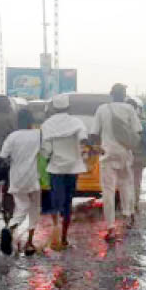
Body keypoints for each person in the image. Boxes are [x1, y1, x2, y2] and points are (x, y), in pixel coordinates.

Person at [89, 83, 142, 242]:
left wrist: (97, 147)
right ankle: (127, 216)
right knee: (126, 185)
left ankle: (111, 227)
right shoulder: (129, 109)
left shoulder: (102, 109)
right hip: (125, 153)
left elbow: (93, 134)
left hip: (107, 153)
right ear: (124, 95)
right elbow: (138, 132)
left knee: (108, 191)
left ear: (111, 94)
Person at [40, 93, 88, 249]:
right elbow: (83, 139)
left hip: (56, 168)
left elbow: (46, 150)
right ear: (69, 107)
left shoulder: (47, 125)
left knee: (56, 202)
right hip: (73, 168)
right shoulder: (77, 122)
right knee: (68, 202)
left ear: (53, 108)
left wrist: (47, 157)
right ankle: (64, 237)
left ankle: (55, 232)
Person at [0, 109, 41, 256]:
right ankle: (29, 243)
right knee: (34, 208)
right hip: (34, 177)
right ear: (31, 121)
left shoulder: (12, 137)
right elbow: (46, 153)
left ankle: (9, 228)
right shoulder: (38, 135)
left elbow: (3, 157)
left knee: (21, 207)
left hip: (16, 178)